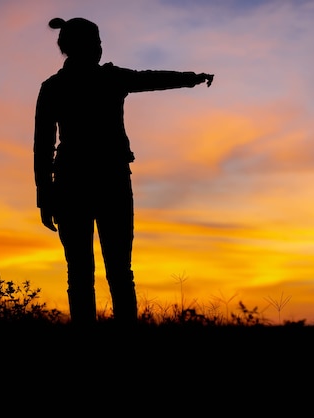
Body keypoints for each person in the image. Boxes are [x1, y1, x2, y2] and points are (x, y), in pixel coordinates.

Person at [33, 17, 214, 325]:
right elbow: (152, 78)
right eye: (97, 43)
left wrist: (44, 195)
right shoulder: (106, 79)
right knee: (116, 271)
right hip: (108, 181)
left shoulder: (55, 87)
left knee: (81, 272)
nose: (101, 48)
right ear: (88, 46)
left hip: (73, 183)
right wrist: (192, 78)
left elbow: (43, 146)